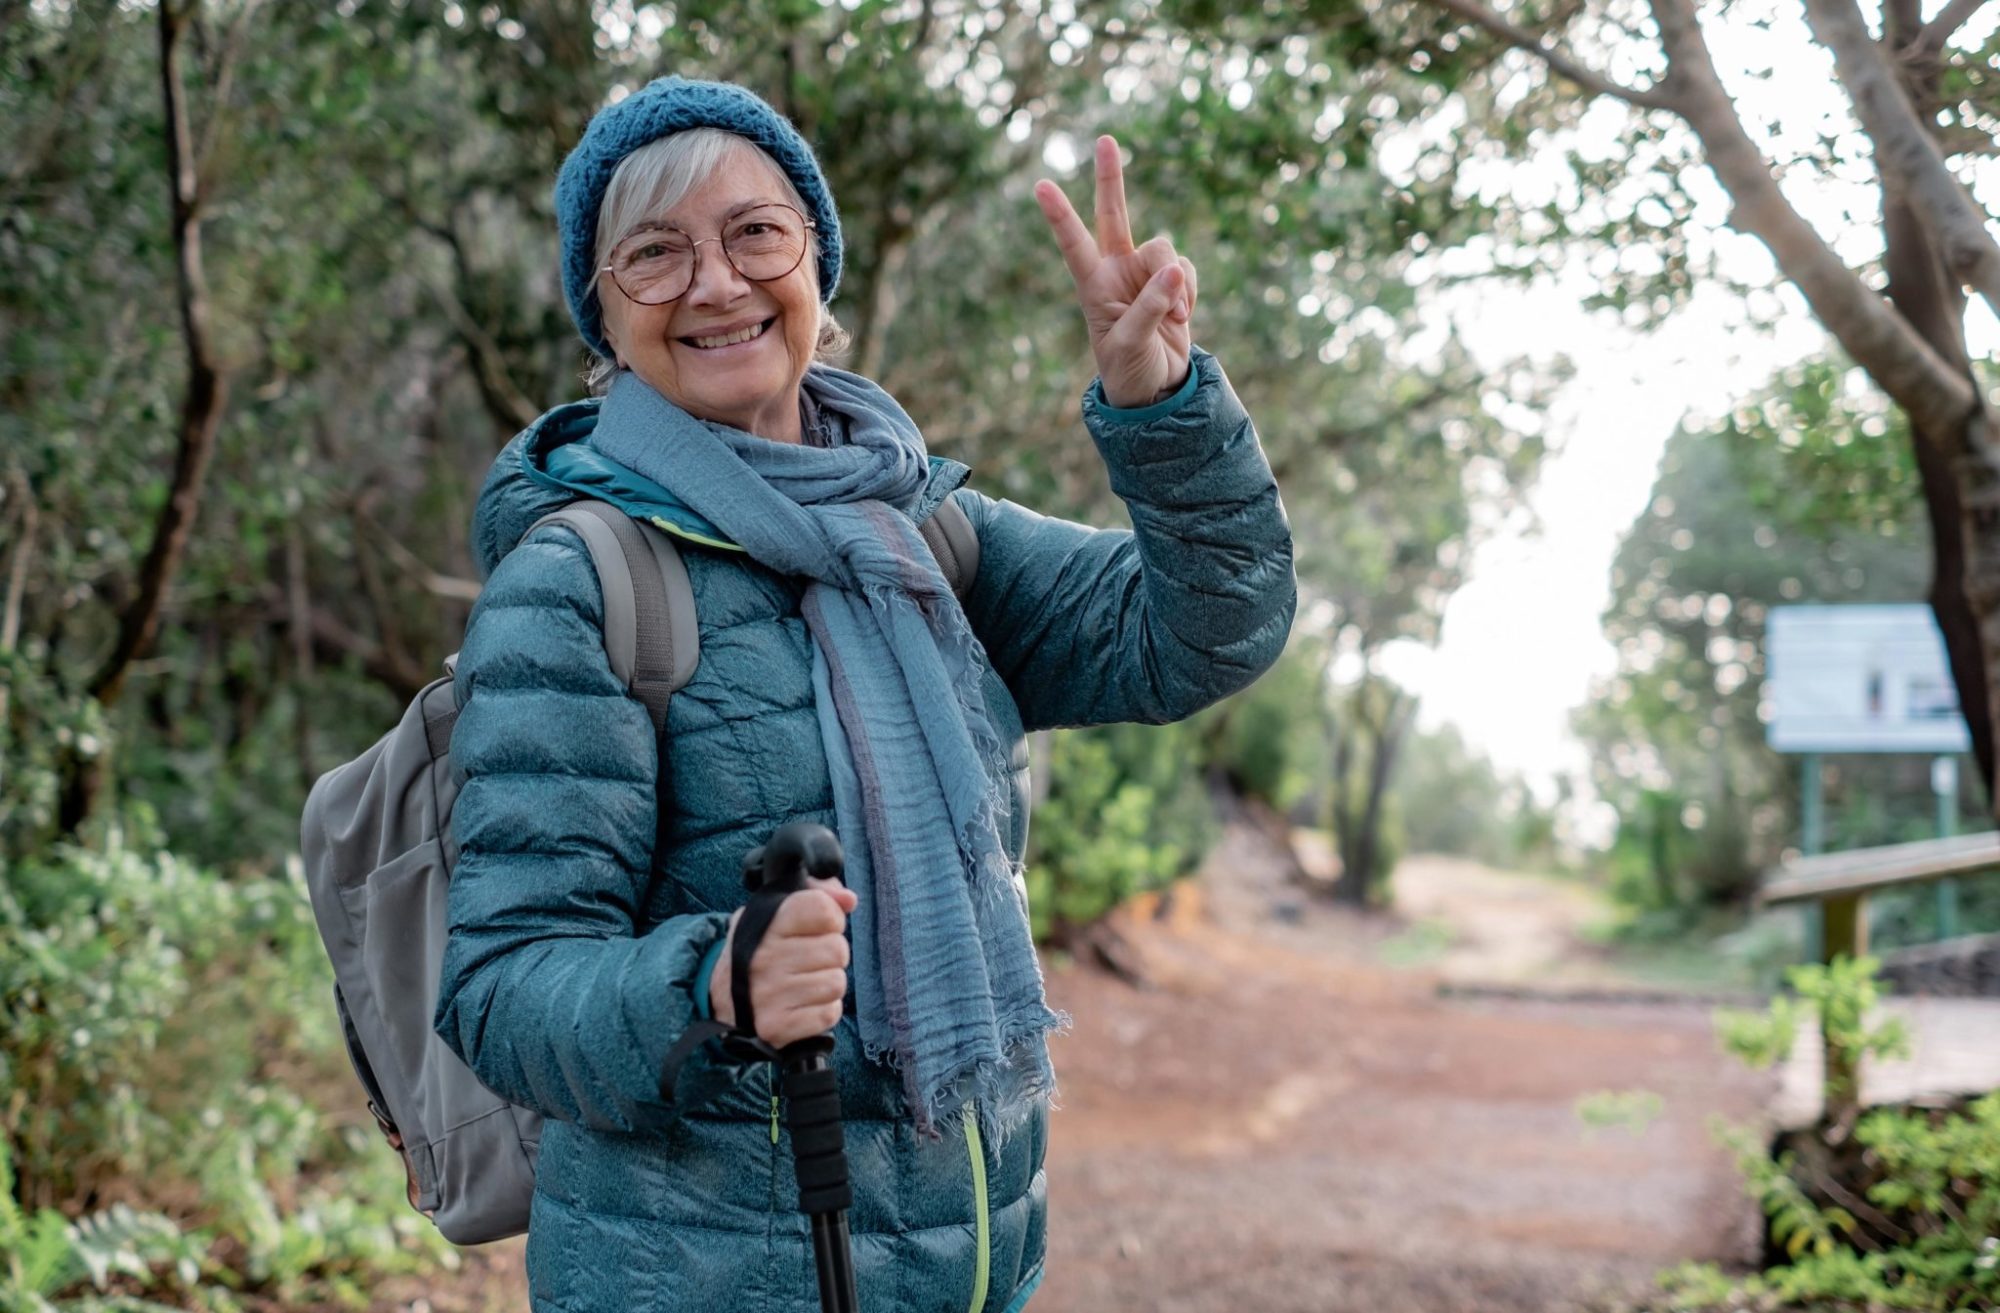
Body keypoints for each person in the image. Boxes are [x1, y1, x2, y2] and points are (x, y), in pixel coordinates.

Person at [432, 76, 1296, 1313]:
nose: (717, 282)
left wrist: (1161, 411)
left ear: (814, 268)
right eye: (654, 254)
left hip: (962, 1264)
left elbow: (1206, 631)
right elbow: (501, 986)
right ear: (603, 313)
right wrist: (714, 985)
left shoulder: (923, 537)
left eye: (755, 233)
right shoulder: (578, 582)